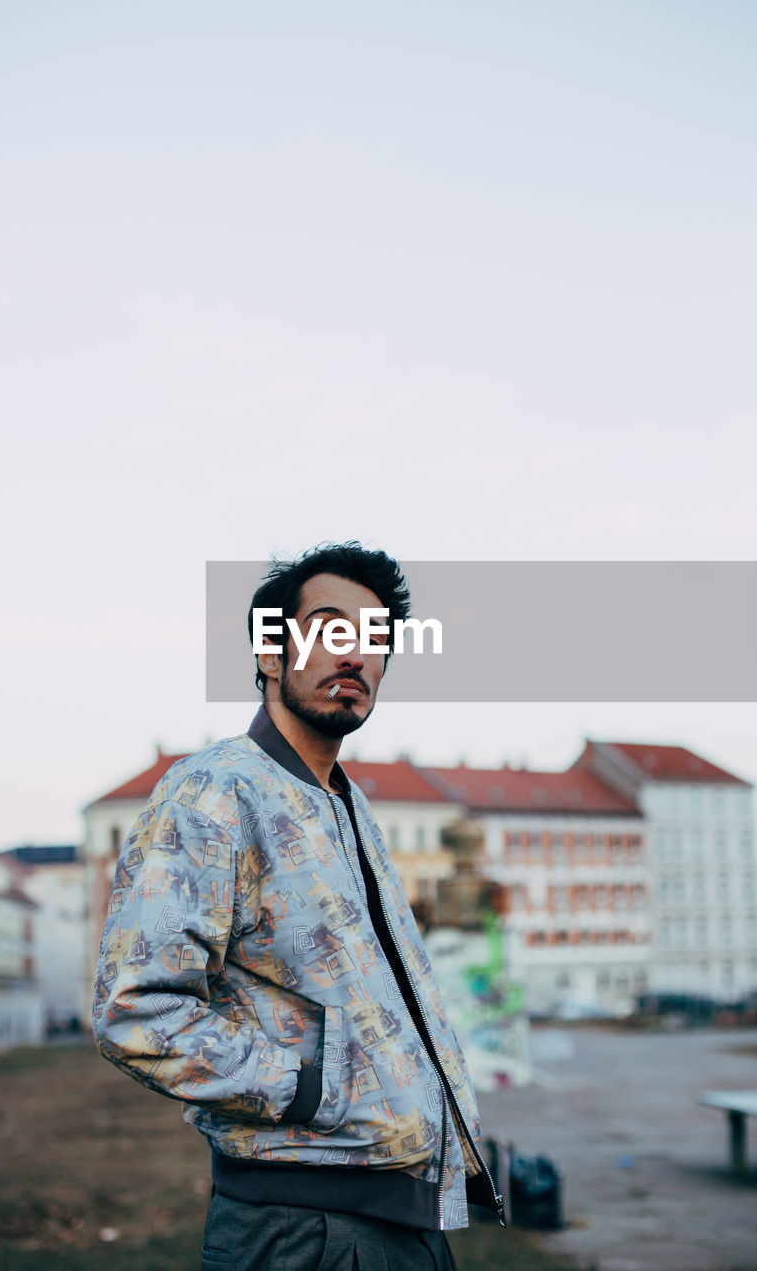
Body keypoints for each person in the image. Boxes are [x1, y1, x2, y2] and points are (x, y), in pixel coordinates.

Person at [93, 542, 504, 1270]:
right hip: (303, 1228)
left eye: (373, 639)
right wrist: (310, 1083)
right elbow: (138, 1010)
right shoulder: (215, 791)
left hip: (399, 1215)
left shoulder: (349, 804)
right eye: (328, 629)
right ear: (271, 655)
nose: (354, 654)